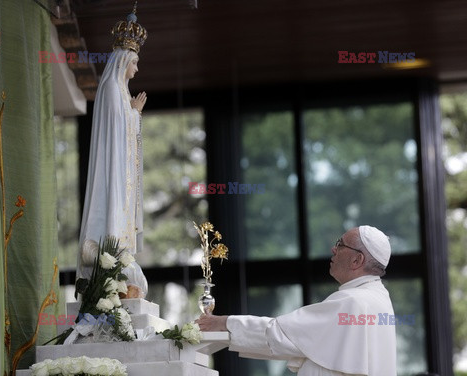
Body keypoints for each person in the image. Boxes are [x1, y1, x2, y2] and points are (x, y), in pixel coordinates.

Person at [196, 225, 397, 376]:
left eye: (340, 244)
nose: (333, 249)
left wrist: (224, 323)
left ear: (357, 260)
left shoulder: (354, 301)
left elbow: (280, 334)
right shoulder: (377, 299)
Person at [77, 4, 149, 298]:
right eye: (134, 62)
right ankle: (109, 262)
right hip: (112, 171)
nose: (136, 68)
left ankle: (119, 263)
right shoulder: (110, 89)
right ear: (124, 60)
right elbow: (114, 133)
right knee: (111, 221)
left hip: (121, 173)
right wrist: (133, 114)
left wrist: (133, 114)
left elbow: (124, 130)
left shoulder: (120, 91)